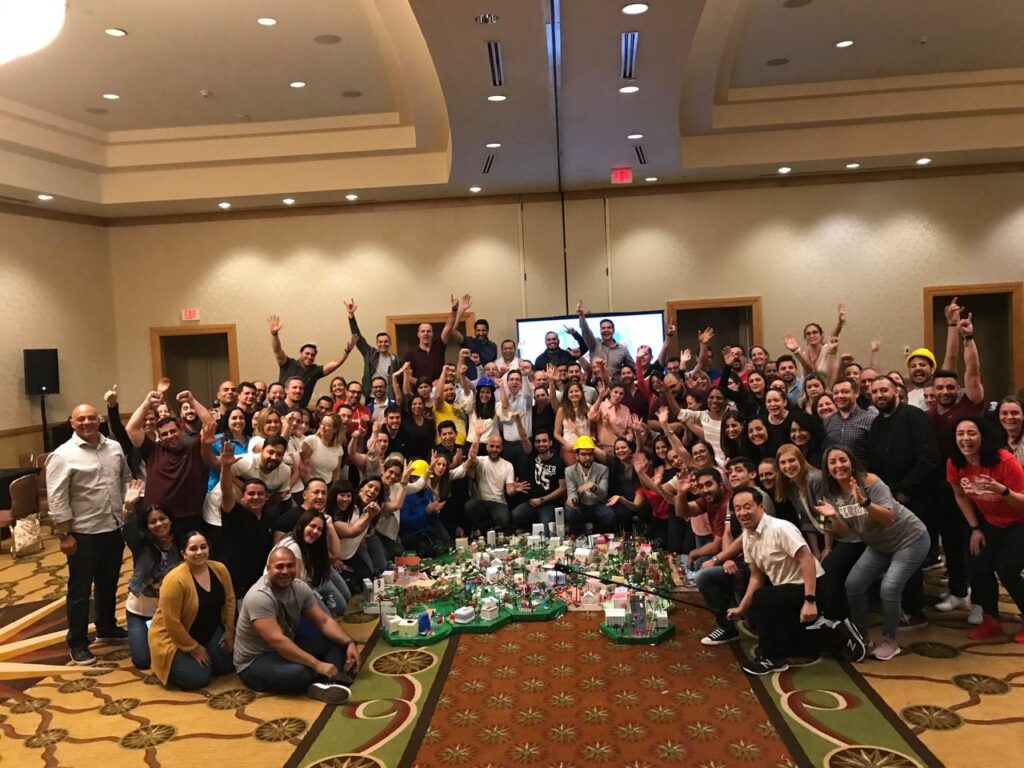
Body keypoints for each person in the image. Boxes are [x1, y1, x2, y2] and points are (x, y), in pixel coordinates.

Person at [726, 487, 863, 675]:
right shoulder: (748, 536)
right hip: (786, 593)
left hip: (811, 588)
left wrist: (810, 601)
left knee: (763, 597)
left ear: (761, 506)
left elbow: (807, 561)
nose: (742, 513)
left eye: (747, 507)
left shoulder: (780, 528)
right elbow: (757, 575)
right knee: (796, 647)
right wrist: (741, 608)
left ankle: (771, 659)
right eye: (738, 508)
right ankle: (836, 631)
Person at [816, 445, 930, 660]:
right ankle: (860, 635)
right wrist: (831, 517)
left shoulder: (870, 482)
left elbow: (888, 518)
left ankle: (889, 639)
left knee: (889, 587)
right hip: (878, 545)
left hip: (910, 539)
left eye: (843, 460)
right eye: (833, 462)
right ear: (827, 468)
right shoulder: (830, 493)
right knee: (854, 584)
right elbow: (844, 531)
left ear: (851, 462)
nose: (839, 465)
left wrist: (865, 502)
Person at [46, 403, 134, 665]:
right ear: (71, 423)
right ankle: (78, 641)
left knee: (108, 582)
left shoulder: (114, 448)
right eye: (81, 419)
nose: (87, 422)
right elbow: (57, 498)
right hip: (82, 533)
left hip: (113, 527)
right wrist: (64, 535)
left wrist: (126, 507)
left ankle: (106, 626)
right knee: (80, 590)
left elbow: (125, 480)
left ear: (100, 420)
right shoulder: (63, 455)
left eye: (91, 418)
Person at [234, 547, 362, 703]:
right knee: (301, 673)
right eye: (279, 566)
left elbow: (324, 621)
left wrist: (350, 643)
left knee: (338, 642)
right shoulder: (259, 596)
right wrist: (316, 664)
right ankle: (328, 678)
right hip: (255, 661)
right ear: (268, 569)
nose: (285, 571)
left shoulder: (299, 587)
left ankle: (325, 683)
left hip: (288, 646)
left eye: (290, 566)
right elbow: (278, 641)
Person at [866, 375, 941, 622]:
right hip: (888, 499)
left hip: (914, 497)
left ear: (896, 391)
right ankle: (894, 602)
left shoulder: (914, 417)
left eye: (883, 390)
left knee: (911, 554)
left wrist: (906, 489)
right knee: (895, 550)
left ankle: (914, 609)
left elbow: (929, 457)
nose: (879, 395)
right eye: (875, 392)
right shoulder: (877, 424)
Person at [947, 417, 1024, 643]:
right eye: (960, 434)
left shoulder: (1004, 461)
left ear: (982, 436)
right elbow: (960, 495)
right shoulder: (955, 463)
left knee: (1007, 568)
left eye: (971, 433)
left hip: (1020, 521)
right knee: (978, 562)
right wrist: (975, 528)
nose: (965, 439)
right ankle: (990, 618)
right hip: (992, 521)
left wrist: (1004, 492)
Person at [147, 531, 236, 690]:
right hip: (173, 637)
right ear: (183, 554)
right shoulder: (174, 580)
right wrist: (193, 648)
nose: (200, 552)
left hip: (208, 631)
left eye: (203, 547)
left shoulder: (220, 569)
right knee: (197, 678)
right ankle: (165, 665)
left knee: (226, 666)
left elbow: (229, 601)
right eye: (193, 549)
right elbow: (171, 622)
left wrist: (229, 631)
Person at [127, 388, 216, 536]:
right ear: (160, 437)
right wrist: (147, 402)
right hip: (159, 519)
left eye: (173, 431)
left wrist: (192, 401)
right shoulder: (152, 450)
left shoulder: (193, 448)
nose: (170, 436)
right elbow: (131, 428)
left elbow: (210, 424)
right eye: (164, 434)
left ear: (180, 430)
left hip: (190, 517)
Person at [123, 491, 181, 670]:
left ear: (170, 520)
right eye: (152, 522)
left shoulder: (183, 543)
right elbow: (128, 531)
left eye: (162, 519)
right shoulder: (142, 545)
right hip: (141, 613)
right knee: (143, 661)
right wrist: (128, 508)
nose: (159, 524)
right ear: (147, 526)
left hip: (171, 614)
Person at [216, 451, 280, 599]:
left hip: (258, 582)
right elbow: (226, 490)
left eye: (260, 494)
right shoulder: (233, 512)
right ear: (242, 497)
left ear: (266, 497)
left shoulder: (269, 519)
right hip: (233, 581)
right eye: (251, 494)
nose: (256, 497)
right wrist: (226, 467)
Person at [268, 314, 356, 407]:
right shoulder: (288, 363)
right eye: (307, 353)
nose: (309, 357)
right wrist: (274, 334)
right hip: (279, 408)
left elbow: (335, 363)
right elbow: (277, 350)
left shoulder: (314, 371)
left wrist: (347, 350)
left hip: (300, 412)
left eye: (312, 355)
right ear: (300, 354)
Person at [277, 508, 350, 616]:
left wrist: (330, 526)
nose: (315, 531)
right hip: (294, 593)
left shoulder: (312, 542)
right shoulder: (293, 547)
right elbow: (294, 585)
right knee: (327, 618)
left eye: (319, 529)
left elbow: (335, 555)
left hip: (311, 581)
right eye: (312, 526)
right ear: (302, 525)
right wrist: (316, 597)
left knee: (341, 605)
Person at [464, 422, 525, 533]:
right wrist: (477, 436)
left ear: (501, 449)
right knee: (469, 506)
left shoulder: (508, 465)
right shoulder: (480, 460)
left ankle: (491, 530)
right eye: (491, 446)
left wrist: (515, 489)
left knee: (504, 519)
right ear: (487, 447)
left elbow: (509, 490)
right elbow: (472, 457)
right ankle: (487, 530)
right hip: (480, 502)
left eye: (497, 447)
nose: (494, 449)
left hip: (499, 503)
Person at [401, 295, 466, 381]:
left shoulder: (439, 345)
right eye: (423, 331)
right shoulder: (410, 354)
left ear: (432, 334)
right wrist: (427, 384)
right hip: (421, 391)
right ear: (418, 334)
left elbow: (448, 326)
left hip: (441, 389)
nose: (426, 334)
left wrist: (454, 309)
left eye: (428, 331)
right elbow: (408, 377)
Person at [510, 430, 566, 530]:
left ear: (550, 443)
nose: (541, 444)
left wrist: (542, 500)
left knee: (545, 529)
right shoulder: (532, 456)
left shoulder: (558, 461)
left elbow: (562, 488)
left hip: (548, 503)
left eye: (544, 441)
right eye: (538, 441)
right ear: (535, 444)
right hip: (531, 503)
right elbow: (523, 437)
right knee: (516, 514)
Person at [344, 298, 398, 396]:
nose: (383, 344)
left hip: (388, 397)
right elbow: (357, 337)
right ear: (377, 344)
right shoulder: (370, 353)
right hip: (371, 396)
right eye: (380, 342)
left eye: (386, 342)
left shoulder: (396, 359)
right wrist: (351, 317)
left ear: (390, 343)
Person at [564, 436, 615, 532]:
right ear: (577, 456)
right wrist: (572, 499)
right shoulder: (569, 471)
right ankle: (580, 537)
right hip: (580, 504)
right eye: (583, 454)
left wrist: (593, 487)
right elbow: (572, 492)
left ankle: (601, 537)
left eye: (590, 454)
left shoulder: (603, 469)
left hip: (596, 504)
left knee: (609, 514)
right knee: (569, 510)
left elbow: (603, 496)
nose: (587, 458)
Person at [576, 300, 635, 378]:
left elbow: (632, 367)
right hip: (597, 385)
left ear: (613, 330)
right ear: (600, 331)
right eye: (603, 328)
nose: (606, 330)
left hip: (615, 387)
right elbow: (585, 330)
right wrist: (581, 316)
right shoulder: (594, 343)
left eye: (609, 328)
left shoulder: (622, 349)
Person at [824, 378, 876, 465]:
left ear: (856, 393)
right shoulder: (828, 421)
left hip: (863, 474)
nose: (839, 396)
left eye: (844, 392)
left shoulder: (870, 419)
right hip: (836, 474)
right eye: (836, 393)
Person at [451, 316, 498, 380]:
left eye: (483, 330)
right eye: (478, 330)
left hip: (486, 382)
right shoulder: (469, 341)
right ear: (475, 331)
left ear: (487, 331)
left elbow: (493, 366)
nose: (481, 333)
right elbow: (453, 331)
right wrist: (461, 311)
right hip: (469, 382)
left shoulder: (493, 346)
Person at [998, 396, 1024, 467]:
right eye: (1004, 413)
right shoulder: (993, 442)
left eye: (1014, 413)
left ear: (1023, 415)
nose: (1009, 417)